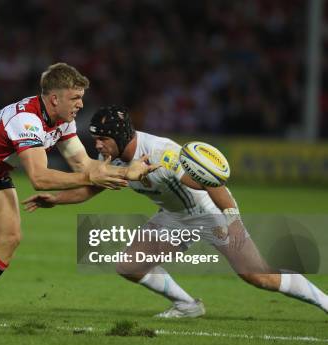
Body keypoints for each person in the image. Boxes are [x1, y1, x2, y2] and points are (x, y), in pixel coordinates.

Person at [23, 105, 328, 317]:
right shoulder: (115, 160)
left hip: (207, 214)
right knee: (129, 266)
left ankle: (325, 302)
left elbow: (213, 184)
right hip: (174, 217)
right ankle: (187, 305)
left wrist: (232, 220)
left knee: (259, 276)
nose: (98, 146)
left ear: (119, 135)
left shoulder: (163, 154)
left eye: (102, 139)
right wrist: (55, 199)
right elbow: (91, 188)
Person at [0, 63, 158, 321]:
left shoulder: (63, 120)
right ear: (54, 98)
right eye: (75, 98)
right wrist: (91, 176)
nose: (80, 104)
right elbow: (39, 178)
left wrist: (126, 172)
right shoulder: (26, 120)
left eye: (81, 98)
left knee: (10, 236)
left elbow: (83, 164)